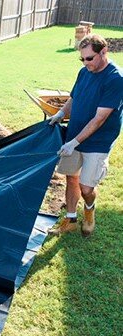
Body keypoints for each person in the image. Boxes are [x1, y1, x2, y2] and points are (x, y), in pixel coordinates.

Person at [48, 34, 122, 237]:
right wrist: (61, 113)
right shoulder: (83, 72)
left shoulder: (115, 79)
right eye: (82, 58)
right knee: (71, 178)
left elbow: (99, 119)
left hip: (98, 142)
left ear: (104, 52)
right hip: (74, 135)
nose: (85, 62)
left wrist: (74, 142)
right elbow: (74, 97)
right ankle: (71, 218)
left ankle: (89, 210)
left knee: (86, 188)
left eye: (89, 58)